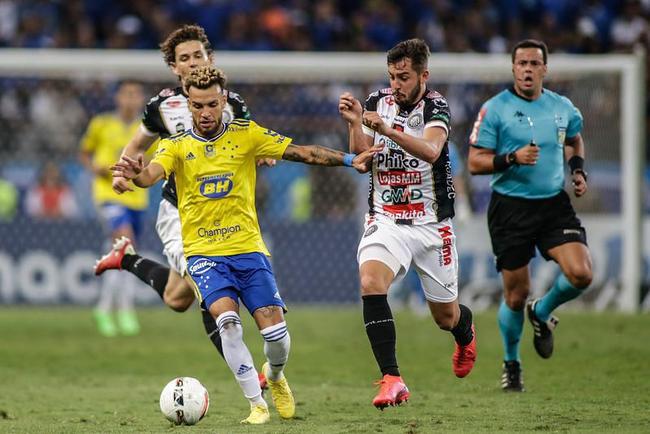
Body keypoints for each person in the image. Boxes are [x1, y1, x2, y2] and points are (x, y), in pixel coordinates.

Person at [111, 66, 377, 424]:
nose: (205, 113)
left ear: (224, 101)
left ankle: (276, 375)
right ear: (188, 106)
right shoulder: (174, 145)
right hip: (204, 254)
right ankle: (257, 405)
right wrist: (134, 174)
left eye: (211, 104)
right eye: (197, 106)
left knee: (276, 335)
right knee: (229, 323)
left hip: (248, 249)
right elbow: (150, 175)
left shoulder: (246, 135)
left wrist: (348, 159)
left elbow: (303, 153)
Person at [93, 25, 268, 380]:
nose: (191, 63)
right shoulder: (163, 105)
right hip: (178, 212)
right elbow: (137, 144)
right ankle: (253, 379)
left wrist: (264, 155)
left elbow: (251, 141)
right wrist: (122, 172)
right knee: (209, 289)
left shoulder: (231, 103)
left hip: (222, 215)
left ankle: (125, 259)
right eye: (183, 58)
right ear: (174, 68)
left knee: (177, 298)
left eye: (197, 55)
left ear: (210, 58)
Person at [338, 38, 477, 410]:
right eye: (392, 77)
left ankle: (465, 332)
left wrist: (385, 129)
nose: (396, 84)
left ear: (422, 75)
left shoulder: (437, 106)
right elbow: (363, 159)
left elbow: (432, 151)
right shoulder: (376, 102)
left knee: (445, 317)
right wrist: (355, 125)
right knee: (370, 281)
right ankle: (392, 378)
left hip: (432, 226)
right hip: (386, 220)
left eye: (403, 77)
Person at [467, 39, 593, 392]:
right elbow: (475, 161)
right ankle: (512, 363)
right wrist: (511, 158)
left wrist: (578, 171)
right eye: (521, 63)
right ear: (512, 68)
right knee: (514, 295)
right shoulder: (495, 109)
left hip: (553, 204)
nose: (527, 69)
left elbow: (575, 139)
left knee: (582, 274)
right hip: (510, 208)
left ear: (544, 69)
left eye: (534, 63)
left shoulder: (562, 107)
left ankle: (542, 312)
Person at [80, 79, 147, 337]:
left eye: (135, 94)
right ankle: (123, 309)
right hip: (107, 194)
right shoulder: (101, 123)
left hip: (137, 197)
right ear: (118, 97)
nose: (130, 99)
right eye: (126, 94)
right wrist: (94, 168)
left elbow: (156, 157)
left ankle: (105, 308)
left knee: (123, 251)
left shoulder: (147, 129)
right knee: (125, 242)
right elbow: (85, 153)